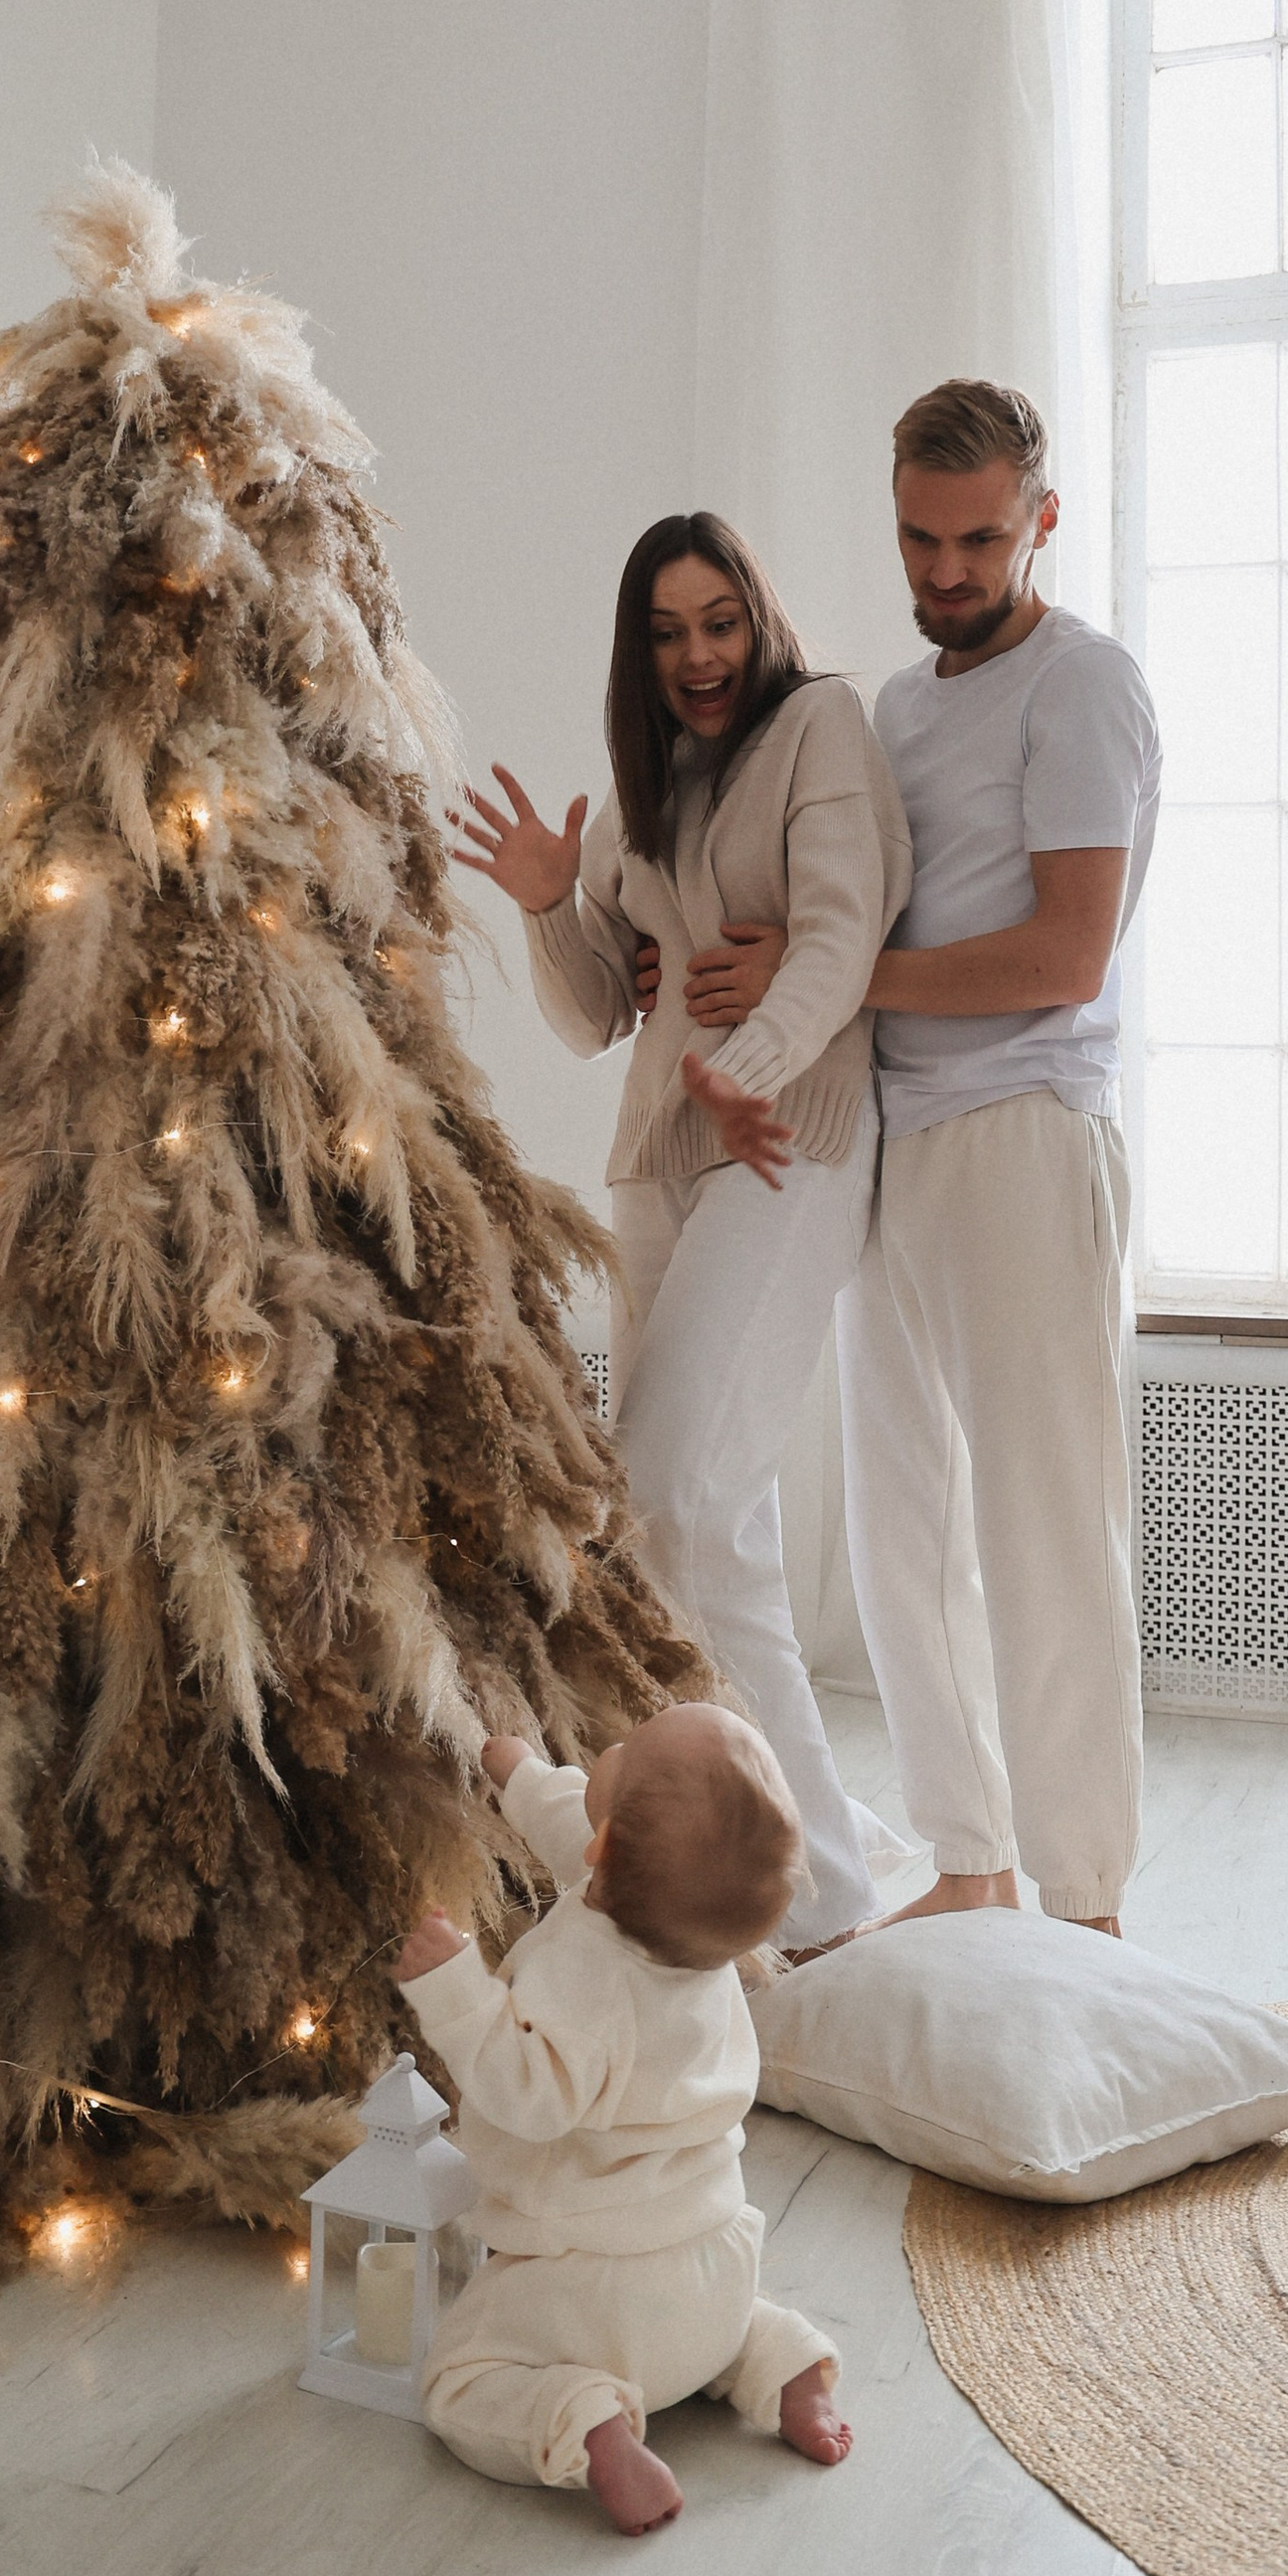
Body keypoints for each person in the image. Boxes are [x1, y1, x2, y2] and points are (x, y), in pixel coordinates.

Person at [680, 382, 1161, 1938]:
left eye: (979, 540)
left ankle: (1084, 1907)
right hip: (891, 1139)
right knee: (902, 1533)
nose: (946, 570)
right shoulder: (895, 709)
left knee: (1043, 1533)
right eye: (918, 538)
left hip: (1024, 1134)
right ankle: (970, 1863)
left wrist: (834, 979)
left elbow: (1067, 955)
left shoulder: (1082, 686)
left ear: (1042, 521)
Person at [449, 514, 911, 1947]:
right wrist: (549, 905)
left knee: (674, 1496)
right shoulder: (650, 789)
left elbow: (839, 936)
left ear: (757, 620)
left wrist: (747, 1065)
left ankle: (821, 1901)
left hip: (785, 1141)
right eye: (667, 633)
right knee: (704, 1526)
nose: (698, 655)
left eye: (719, 622)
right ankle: (758, 1869)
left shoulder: (820, 729)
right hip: (660, 1167)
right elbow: (596, 1013)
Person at [395, 1709, 849, 2537]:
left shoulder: (586, 1974)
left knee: (455, 2384)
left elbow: (530, 2094)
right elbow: (582, 1833)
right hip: (715, 2268)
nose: (614, 1746)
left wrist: (457, 1992)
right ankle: (783, 2365)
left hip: (589, 2291)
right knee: (726, 2325)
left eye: (629, 1750)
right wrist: (521, 1775)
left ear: (606, 1848)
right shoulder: (696, 1933)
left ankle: (586, 2424)